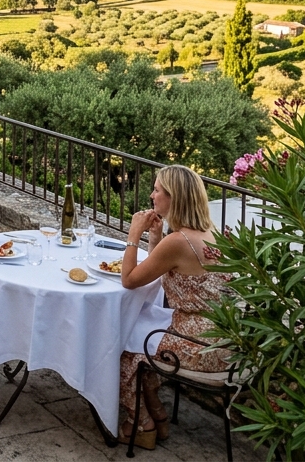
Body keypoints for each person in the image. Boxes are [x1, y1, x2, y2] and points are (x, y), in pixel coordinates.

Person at [117, 165, 231, 449]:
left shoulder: (179, 241)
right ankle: (158, 414)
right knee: (140, 328)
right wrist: (155, 238)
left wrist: (134, 234)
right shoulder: (211, 235)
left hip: (199, 344)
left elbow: (129, 280)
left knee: (122, 343)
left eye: (157, 190)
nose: (152, 195)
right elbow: (170, 268)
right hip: (225, 339)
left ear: (174, 197)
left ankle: (141, 423)